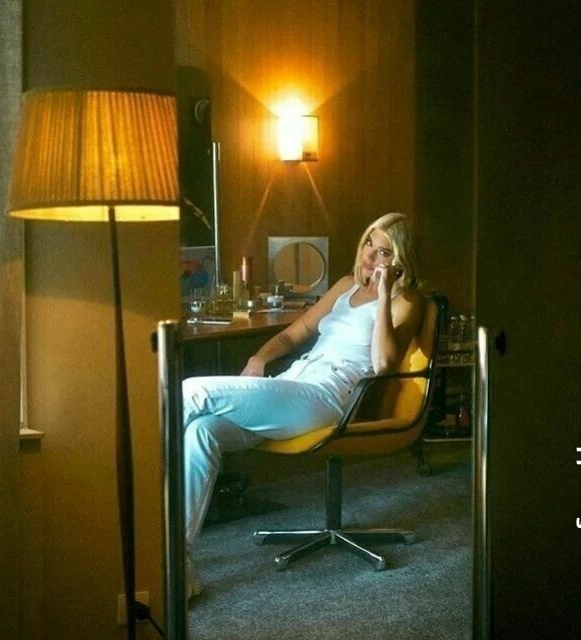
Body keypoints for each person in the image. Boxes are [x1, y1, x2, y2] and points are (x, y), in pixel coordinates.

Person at [182, 212, 425, 599]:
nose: (369, 256)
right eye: (368, 243)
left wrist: (383, 295)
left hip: (324, 399)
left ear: (400, 262)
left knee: (192, 391)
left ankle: (138, 525)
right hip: (292, 384)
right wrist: (259, 358)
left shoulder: (406, 301)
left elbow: (383, 363)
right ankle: (179, 558)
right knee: (201, 431)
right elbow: (297, 333)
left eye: (383, 252)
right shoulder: (345, 286)